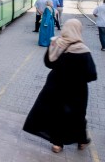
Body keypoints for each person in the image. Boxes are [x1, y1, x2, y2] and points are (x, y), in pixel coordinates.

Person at [23, 19, 97, 153]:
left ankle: (57, 144)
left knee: (57, 113)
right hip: (77, 89)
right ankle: (81, 140)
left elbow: (48, 63)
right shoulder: (83, 50)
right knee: (78, 115)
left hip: (56, 85)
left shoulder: (56, 43)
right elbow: (92, 74)